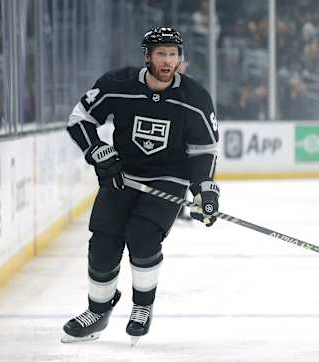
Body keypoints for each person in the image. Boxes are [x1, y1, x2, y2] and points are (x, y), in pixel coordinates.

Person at [61, 27, 220, 344]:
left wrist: (205, 191)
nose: (167, 61)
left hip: (168, 178)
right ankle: (98, 310)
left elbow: (204, 149)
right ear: (147, 56)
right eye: (161, 54)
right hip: (123, 174)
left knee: (142, 235)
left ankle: (142, 307)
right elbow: (80, 118)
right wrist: (98, 151)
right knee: (103, 245)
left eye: (173, 54)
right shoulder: (117, 84)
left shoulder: (195, 98)